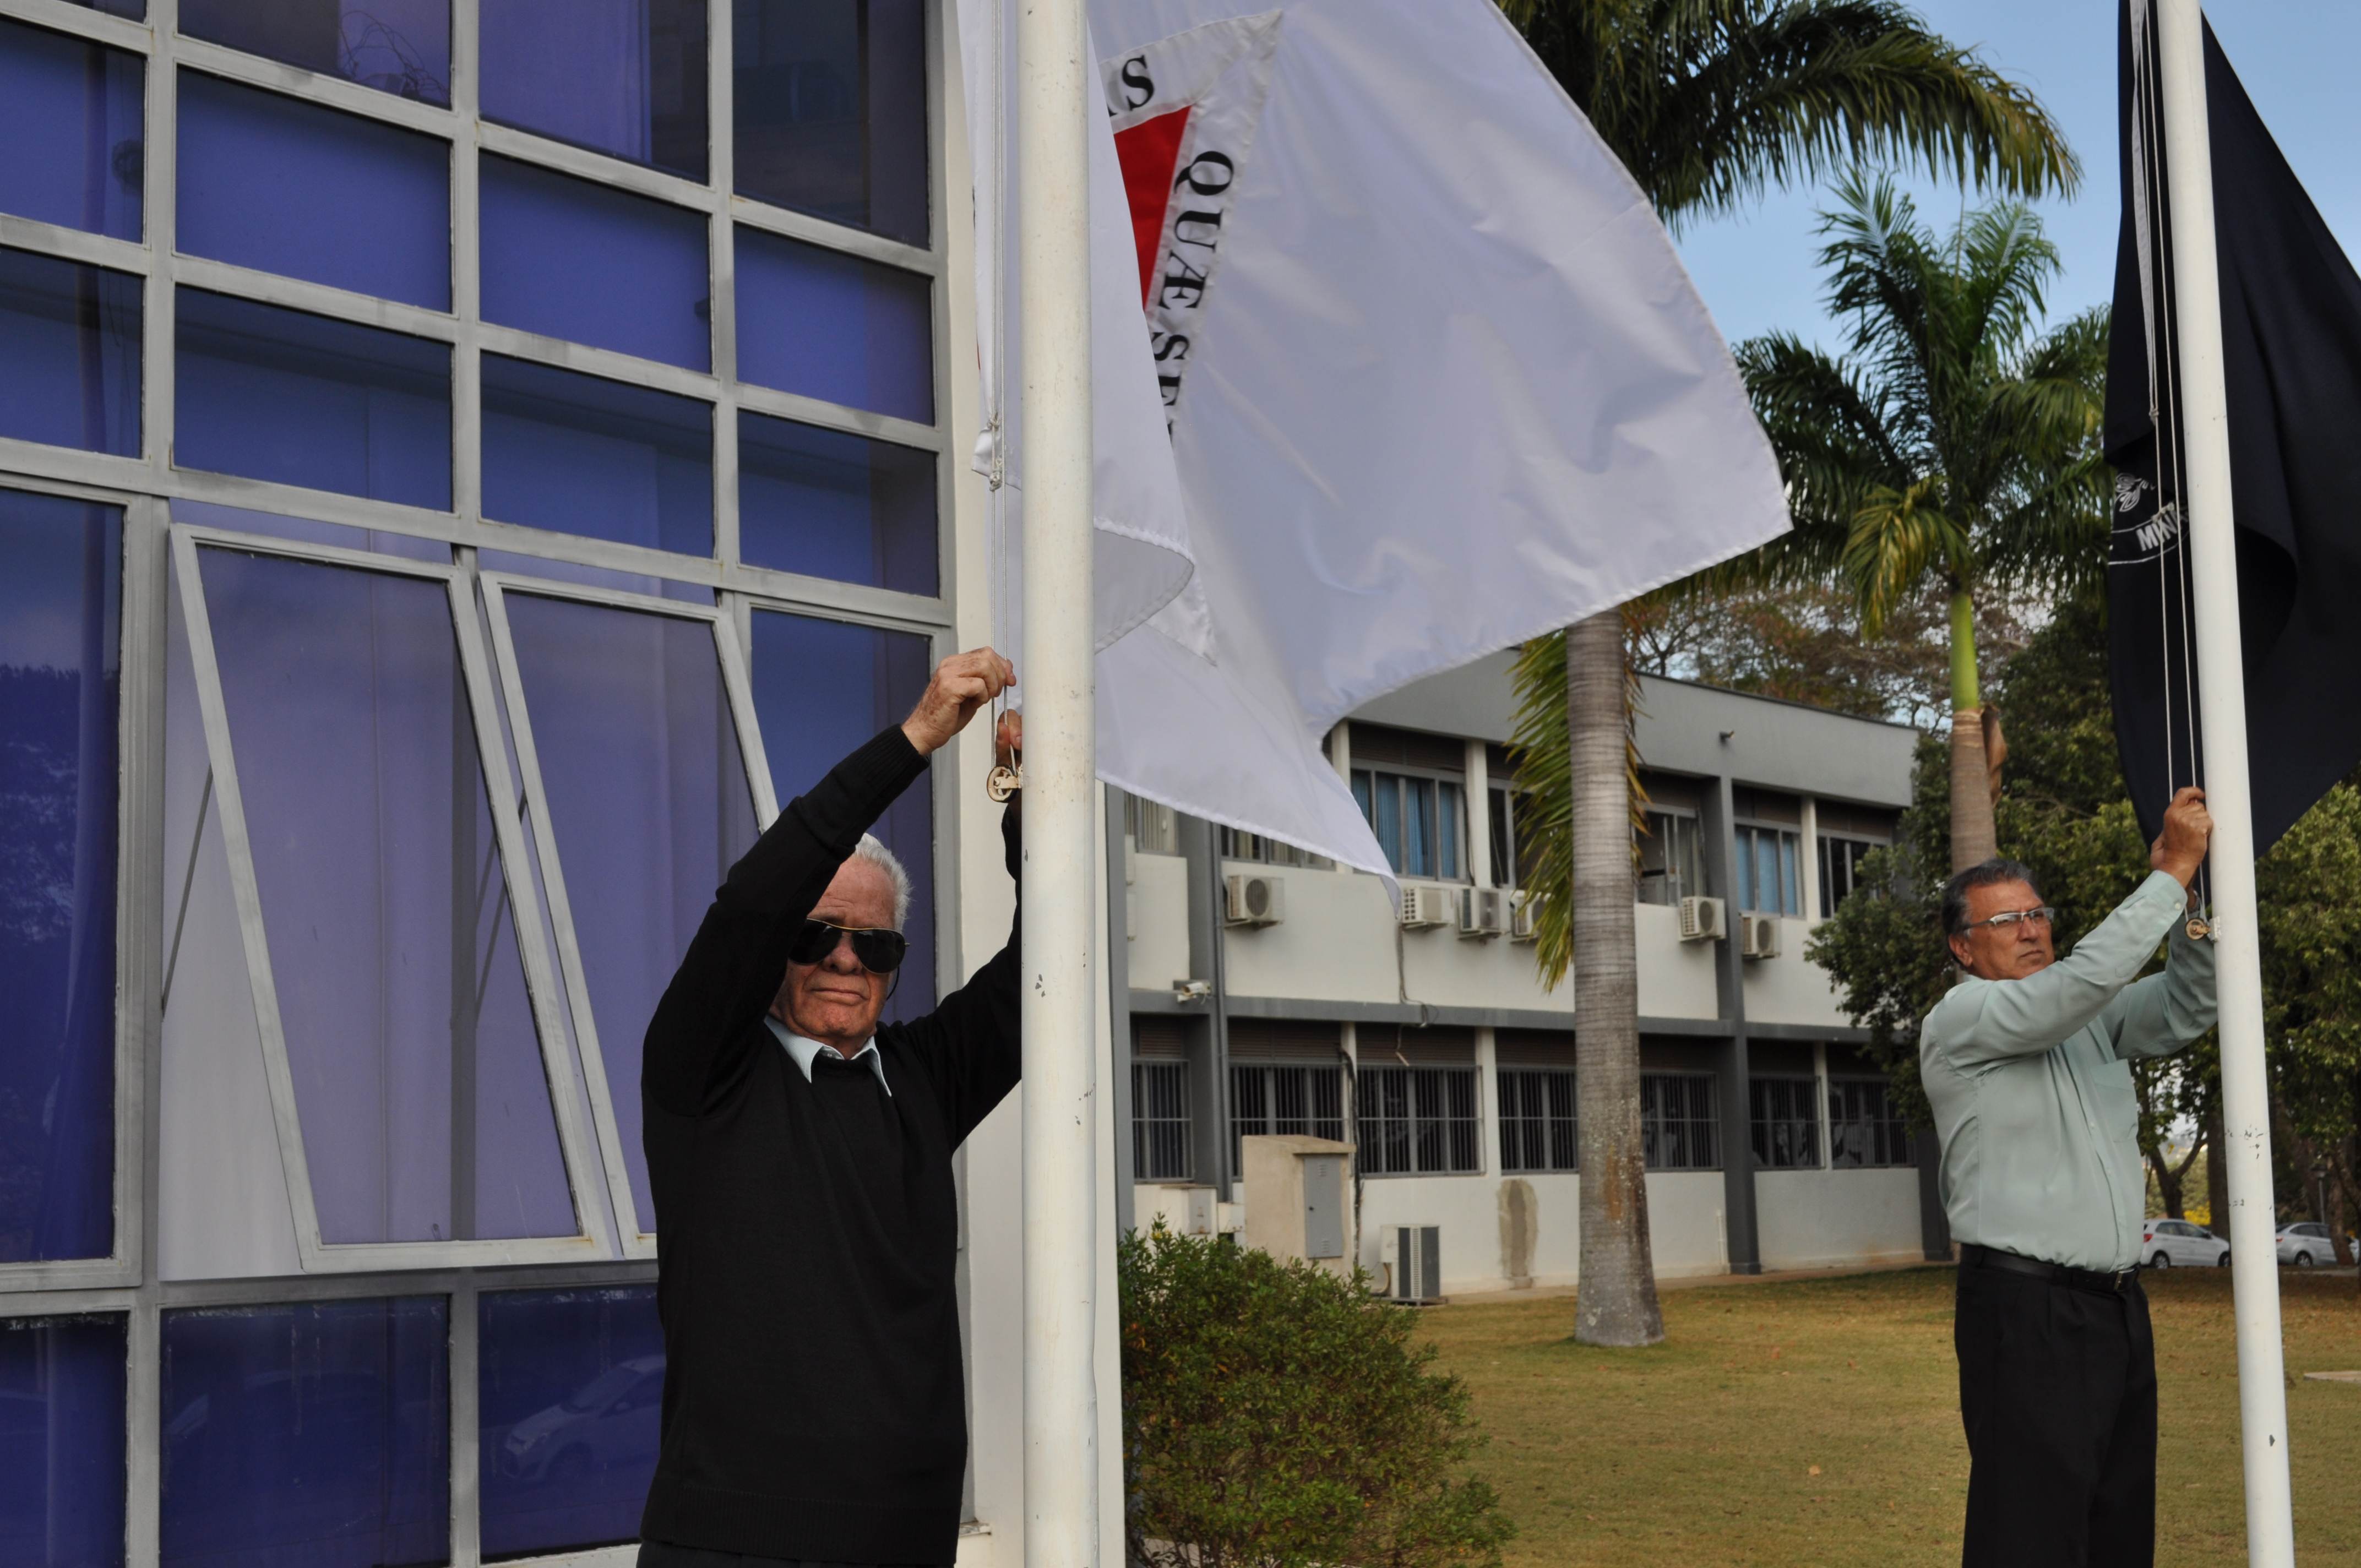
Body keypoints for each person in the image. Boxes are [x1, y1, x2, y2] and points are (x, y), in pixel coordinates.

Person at [635, 647, 1021, 1568]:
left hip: (906, 1543)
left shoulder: (925, 1079)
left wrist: (1029, 811)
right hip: (731, 1548)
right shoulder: (705, 1071)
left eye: (874, 945)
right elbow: (750, 902)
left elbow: (1053, 964)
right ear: (779, 945)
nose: (846, 960)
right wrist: (916, 738)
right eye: (816, 935)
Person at [1921, 785, 2218, 1568]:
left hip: (2117, 1310)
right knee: (2031, 1540)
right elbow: (2079, 986)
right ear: (1963, 949)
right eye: (2005, 921)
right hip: (2026, 1313)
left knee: (2118, 1530)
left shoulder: (2086, 1022)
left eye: (2037, 914)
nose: (2030, 930)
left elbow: (2188, 1005)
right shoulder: (1960, 1020)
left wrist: (2190, 905)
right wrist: (2167, 876)